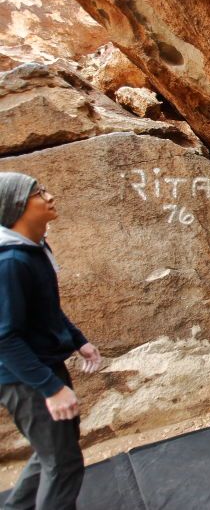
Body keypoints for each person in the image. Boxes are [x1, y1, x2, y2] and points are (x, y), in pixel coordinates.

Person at [0, 172, 102, 510]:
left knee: (54, 451)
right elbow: (4, 339)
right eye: (38, 193)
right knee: (63, 464)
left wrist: (78, 340)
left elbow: (46, 310)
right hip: (24, 378)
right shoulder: (10, 263)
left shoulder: (33, 249)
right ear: (16, 206)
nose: (50, 196)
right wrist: (51, 388)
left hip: (41, 366)